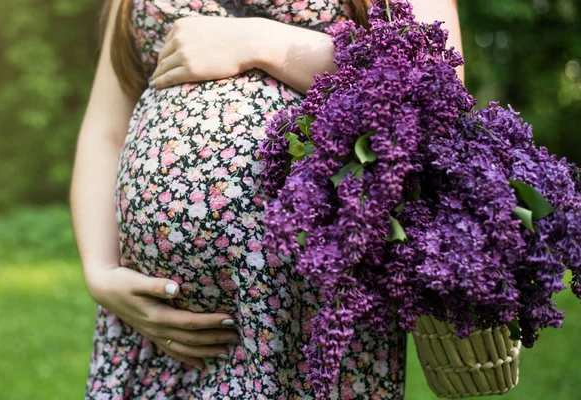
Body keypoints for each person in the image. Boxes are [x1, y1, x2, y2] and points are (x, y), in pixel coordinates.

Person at [69, 0, 463, 398]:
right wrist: (101, 274)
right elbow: (107, 128)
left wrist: (259, 42)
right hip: (153, 325)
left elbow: (436, 92)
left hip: (305, 332)